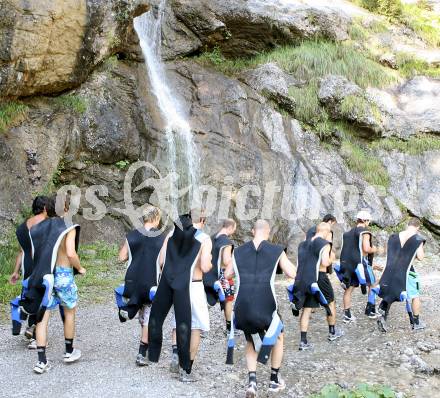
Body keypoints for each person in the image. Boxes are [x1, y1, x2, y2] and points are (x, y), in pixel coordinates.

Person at [224, 219, 295, 397]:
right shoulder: (276, 250)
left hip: (242, 305)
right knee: (278, 334)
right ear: (268, 232)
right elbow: (292, 273)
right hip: (266, 303)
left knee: (251, 339)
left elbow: (227, 274)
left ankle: (252, 383)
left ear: (252, 232)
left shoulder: (238, 251)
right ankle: (273, 380)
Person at [20, 196, 85, 374]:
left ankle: (41, 361)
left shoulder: (38, 228)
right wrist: (80, 268)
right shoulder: (68, 226)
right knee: (69, 311)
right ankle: (69, 351)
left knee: (43, 317)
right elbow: (71, 253)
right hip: (63, 274)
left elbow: (34, 255)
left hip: (45, 276)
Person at [148, 209, 212, 382]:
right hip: (193, 286)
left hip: (171, 285)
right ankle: (187, 369)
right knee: (195, 326)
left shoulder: (172, 233)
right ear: (203, 220)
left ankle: (174, 354)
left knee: (179, 321)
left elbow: (161, 261)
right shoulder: (203, 239)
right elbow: (205, 267)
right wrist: (210, 260)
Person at [116, 205, 167, 366]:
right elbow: (163, 262)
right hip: (151, 282)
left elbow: (121, 257)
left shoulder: (131, 235)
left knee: (140, 307)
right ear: (156, 219)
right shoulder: (162, 237)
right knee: (149, 316)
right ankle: (141, 352)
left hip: (131, 281)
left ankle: (129, 309)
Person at [9, 196, 55, 343]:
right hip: (41, 264)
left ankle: (29, 324)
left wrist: (16, 271)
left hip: (26, 265)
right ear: (45, 208)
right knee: (43, 296)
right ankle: (35, 333)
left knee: (31, 294)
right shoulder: (47, 225)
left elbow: (21, 251)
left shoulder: (22, 227)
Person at [293, 223, 344, 351]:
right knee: (330, 302)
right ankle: (332, 332)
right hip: (319, 278)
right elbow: (325, 263)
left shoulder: (303, 244)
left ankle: (303, 341)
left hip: (305, 279)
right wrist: (333, 257)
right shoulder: (324, 244)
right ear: (326, 232)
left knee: (307, 309)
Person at [376, 218, 426, 332]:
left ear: (408, 225)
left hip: (391, 270)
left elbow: (391, 253)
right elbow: (421, 257)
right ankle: (416, 322)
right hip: (407, 271)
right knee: (415, 295)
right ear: (417, 227)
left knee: (391, 292)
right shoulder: (418, 239)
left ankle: (383, 315)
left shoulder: (393, 236)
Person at [339, 210, 378, 322]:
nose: (369, 223)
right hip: (360, 263)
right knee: (373, 284)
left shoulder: (347, 233)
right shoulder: (364, 232)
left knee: (349, 289)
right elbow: (366, 249)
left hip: (348, 265)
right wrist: (375, 249)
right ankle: (370, 310)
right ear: (365, 220)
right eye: (368, 221)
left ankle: (347, 315)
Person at [203, 218, 236, 334]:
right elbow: (227, 261)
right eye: (234, 229)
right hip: (223, 275)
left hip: (209, 274)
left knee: (207, 299)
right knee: (228, 300)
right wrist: (236, 261)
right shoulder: (227, 242)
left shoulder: (212, 238)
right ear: (230, 227)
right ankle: (229, 328)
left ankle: (199, 325)